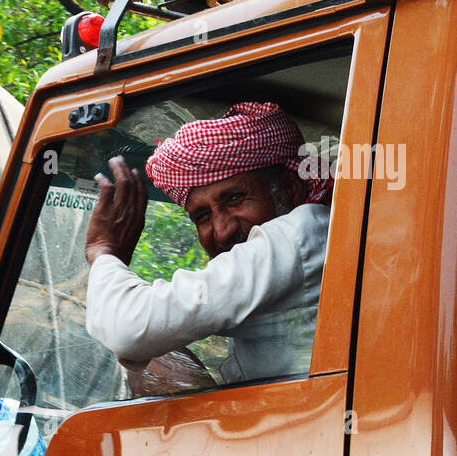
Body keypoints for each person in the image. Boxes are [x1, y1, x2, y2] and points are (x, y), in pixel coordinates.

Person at [84, 101, 332, 391]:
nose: (222, 230)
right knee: (158, 361)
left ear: (291, 189)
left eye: (235, 199)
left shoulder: (304, 231)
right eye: (202, 216)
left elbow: (127, 329)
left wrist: (102, 251)